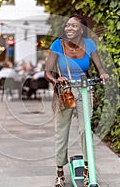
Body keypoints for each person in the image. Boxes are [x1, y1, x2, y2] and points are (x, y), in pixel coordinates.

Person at [44, 14, 109, 187]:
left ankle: (88, 171)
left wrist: (103, 74)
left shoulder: (89, 45)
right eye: (67, 26)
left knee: (85, 130)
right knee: (61, 132)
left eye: (73, 26)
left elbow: (99, 66)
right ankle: (59, 173)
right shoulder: (58, 45)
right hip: (65, 91)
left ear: (81, 29)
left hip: (85, 90)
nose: (68, 29)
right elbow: (47, 72)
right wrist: (57, 80)